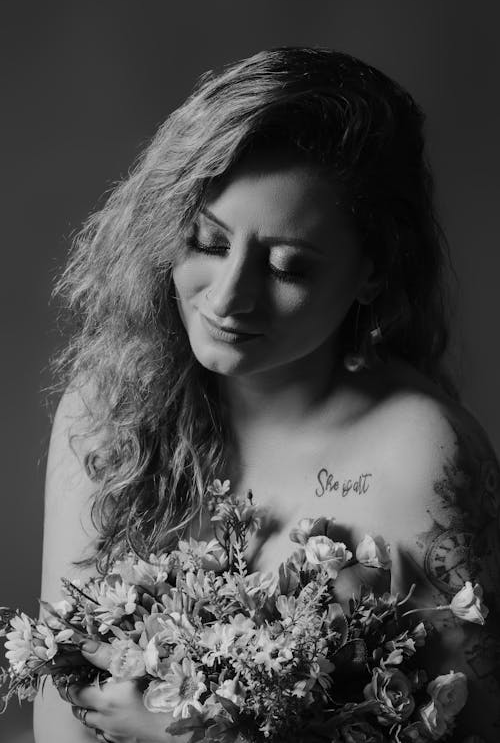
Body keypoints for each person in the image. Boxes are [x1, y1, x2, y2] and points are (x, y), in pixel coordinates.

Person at [33, 47, 499, 743]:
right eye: (208, 242)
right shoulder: (108, 411)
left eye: (288, 267)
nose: (228, 299)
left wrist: (183, 735)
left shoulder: (423, 458)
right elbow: (57, 714)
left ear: (373, 272)